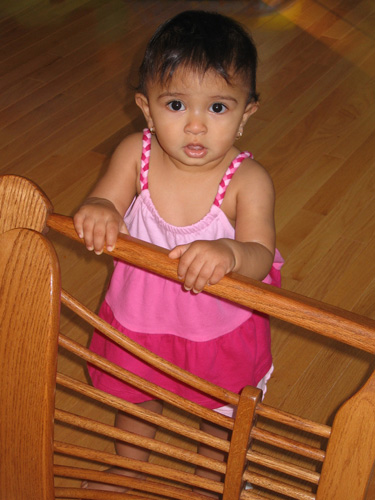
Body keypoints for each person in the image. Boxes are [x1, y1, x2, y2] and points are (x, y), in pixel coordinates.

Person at [74, 9, 283, 495]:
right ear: (146, 108)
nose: (194, 126)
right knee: (135, 402)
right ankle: (132, 471)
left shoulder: (248, 180)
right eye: (175, 106)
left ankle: (217, 478)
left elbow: (258, 254)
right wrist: (101, 209)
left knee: (217, 420)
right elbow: (105, 198)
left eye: (217, 108)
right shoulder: (134, 153)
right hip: (139, 319)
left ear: (246, 113)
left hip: (217, 330)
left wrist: (231, 252)